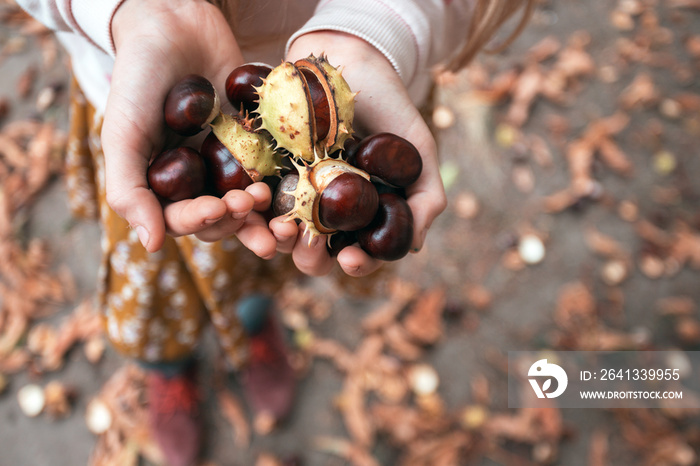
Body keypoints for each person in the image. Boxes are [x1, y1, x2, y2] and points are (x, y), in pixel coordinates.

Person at [17, 1, 534, 465]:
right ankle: (170, 368)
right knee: (161, 279)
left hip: (360, 91)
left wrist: (373, 29)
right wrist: (132, 10)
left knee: (263, 258)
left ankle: (256, 326)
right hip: (129, 80)